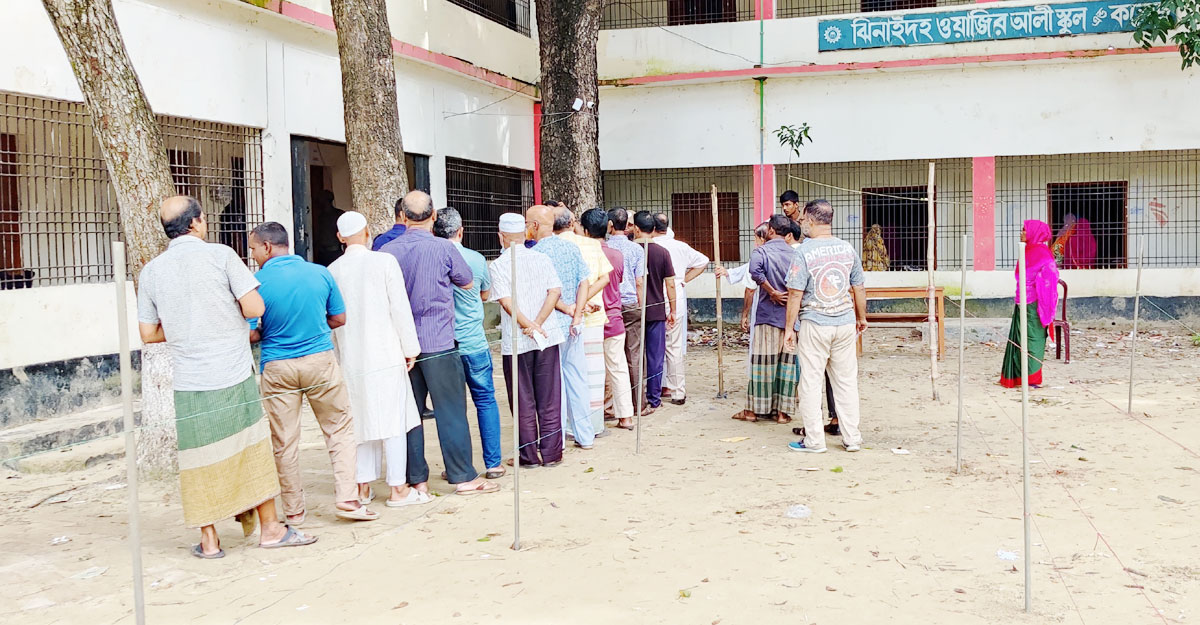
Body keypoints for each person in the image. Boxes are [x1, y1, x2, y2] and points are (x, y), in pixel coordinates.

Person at [137, 196, 316, 558]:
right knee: (251, 450)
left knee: (199, 458)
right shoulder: (221, 256)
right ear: (198, 223)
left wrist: (190, 329)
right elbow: (254, 307)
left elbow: (148, 333)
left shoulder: (152, 271)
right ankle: (270, 528)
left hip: (190, 382)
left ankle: (209, 540)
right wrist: (220, 322)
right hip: (231, 373)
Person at [249, 221, 376, 523]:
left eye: (253, 248)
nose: (252, 254)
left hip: (277, 367)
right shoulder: (321, 273)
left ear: (267, 247)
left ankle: (294, 512)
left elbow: (252, 334)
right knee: (340, 429)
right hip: (320, 361)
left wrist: (270, 332)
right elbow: (339, 318)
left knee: (284, 440)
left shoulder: (255, 282)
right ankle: (347, 497)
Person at [379, 191, 498, 495]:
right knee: (451, 410)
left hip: (402, 345)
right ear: (433, 216)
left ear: (402, 217)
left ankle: (416, 478)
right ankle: (462, 476)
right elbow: (468, 281)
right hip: (440, 340)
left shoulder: (388, 251)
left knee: (409, 412)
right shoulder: (444, 248)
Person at [328, 212, 432, 508]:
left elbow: (333, 319)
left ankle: (362, 487)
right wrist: (409, 347)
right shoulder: (384, 262)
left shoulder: (333, 270)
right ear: (368, 232)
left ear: (340, 237)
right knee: (393, 420)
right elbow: (399, 308)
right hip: (386, 353)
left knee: (360, 422)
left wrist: (338, 356)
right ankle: (398, 489)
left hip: (352, 357)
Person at [782, 199, 867, 454]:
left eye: (803, 220)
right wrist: (861, 317)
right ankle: (852, 439)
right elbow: (859, 287)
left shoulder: (803, 252)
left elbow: (795, 293)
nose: (801, 224)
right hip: (844, 323)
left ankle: (815, 441)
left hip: (815, 323)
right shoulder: (847, 248)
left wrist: (789, 329)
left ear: (809, 219)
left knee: (810, 382)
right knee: (846, 383)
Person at [433, 208, 504, 479]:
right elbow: (485, 293)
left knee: (452, 408)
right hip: (474, 341)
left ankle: (459, 467)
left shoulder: (433, 259)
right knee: (485, 400)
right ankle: (494, 463)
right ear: (461, 231)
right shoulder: (475, 259)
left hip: (444, 345)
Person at [490, 213, 566, 467]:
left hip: (518, 341)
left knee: (523, 400)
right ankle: (552, 453)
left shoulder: (499, 265)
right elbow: (554, 291)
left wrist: (528, 325)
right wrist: (539, 324)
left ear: (501, 236)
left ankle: (529, 455)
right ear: (525, 234)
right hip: (546, 337)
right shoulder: (541, 258)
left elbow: (506, 302)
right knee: (549, 398)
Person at [528, 204, 598, 449]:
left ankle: (556, 439)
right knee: (577, 379)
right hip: (573, 325)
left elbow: (545, 293)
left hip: (550, 326)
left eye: (527, 223)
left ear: (535, 226)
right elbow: (584, 283)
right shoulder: (571, 248)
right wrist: (577, 314)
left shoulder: (535, 254)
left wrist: (566, 309)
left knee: (552, 386)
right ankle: (585, 435)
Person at [733, 215, 800, 425]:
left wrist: (771, 292)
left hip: (767, 316)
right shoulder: (797, 254)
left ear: (770, 230)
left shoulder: (761, 252)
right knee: (787, 365)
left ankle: (753, 410)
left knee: (763, 362)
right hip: (791, 318)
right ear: (788, 233)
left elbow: (755, 272)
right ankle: (782, 413)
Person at [555, 205, 612, 436]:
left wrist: (573, 306)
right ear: (572, 223)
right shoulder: (591, 245)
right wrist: (583, 302)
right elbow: (604, 278)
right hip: (592, 316)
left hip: (560, 316)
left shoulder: (549, 247)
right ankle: (594, 424)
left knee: (565, 372)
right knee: (594, 373)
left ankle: (567, 425)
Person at [582, 208, 635, 431]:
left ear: (583, 230)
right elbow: (619, 280)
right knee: (618, 367)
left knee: (588, 370)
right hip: (614, 316)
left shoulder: (582, 253)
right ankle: (626, 416)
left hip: (589, 317)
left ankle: (594, 414)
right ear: (609, 228)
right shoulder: (616, 255)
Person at [651, 214, 709, 406]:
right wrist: (684, 280)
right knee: (674, 346)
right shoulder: (680, 246)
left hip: (653, 295)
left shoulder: (649, 247)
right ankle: (677, 390)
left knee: (652, 344)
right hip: (676, 293)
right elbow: (703, 261)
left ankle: (655, 388)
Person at [1000, 220, 1060, 388]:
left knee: (1033, 339)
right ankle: (1018, 377)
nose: (1022, 233)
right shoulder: (1027, 250)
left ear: (1034, 232)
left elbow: (1050, 277)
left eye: (1025, 230)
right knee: (1019, 339)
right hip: (1021, 301)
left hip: (1035, 303)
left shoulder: (1042, 253)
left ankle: (1032, 378)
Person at [631, 211, 677, 414]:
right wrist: (673, 309)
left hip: (633, 310)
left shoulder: (631, 251)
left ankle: (635, 399)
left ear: (636, 228)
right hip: (657, 309)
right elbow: (671, 285)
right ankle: (654, 397)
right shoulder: (662, 252)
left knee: (633, 356)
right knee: (655, 357)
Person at [605, 208, 645, 407]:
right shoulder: (637, 249)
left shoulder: (603, 247)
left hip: (609, 304)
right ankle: (638, 402)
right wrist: (641, 304)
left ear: (610, 225)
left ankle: (611, 403)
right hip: (631, 304)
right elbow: (639, 282)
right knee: (634, 354)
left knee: (610, 357)